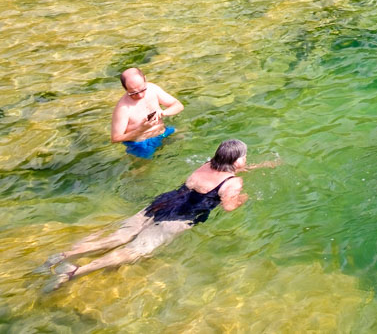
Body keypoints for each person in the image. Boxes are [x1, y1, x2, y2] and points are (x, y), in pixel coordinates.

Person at [44, 140, 274, 290]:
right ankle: (76, 272)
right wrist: (245, 197)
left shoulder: (207, 164)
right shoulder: (233, 182)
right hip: (179, 218)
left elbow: (227, 170)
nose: (246, 160)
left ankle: (63, 255)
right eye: (245, 157)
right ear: (236, 161)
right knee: (135, 250)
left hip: (162, 204)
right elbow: (228, 207)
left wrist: (261, 166)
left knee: (119, 236)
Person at [111, 68, 184, 159]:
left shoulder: (152, 89)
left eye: (142, 89)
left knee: (185, 139)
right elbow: (115, 138)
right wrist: (141, 130)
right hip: (141, 143)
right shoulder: (123, 108)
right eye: (133, 93)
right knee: (143, 170)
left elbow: (178, 105)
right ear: (125, 88)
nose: (140, 95)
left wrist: (163, 112)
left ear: (145, 79)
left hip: (162, 132)